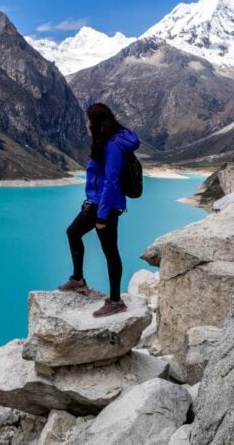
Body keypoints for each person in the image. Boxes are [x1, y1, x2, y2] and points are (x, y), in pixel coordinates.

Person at [58, 103, 140, 317]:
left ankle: (115, 301)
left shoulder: (112, 145)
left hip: (106, 206)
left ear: (97, 121)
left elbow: (111, 182)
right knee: (73, 232)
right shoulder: (106, 140)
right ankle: (78, 280)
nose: (87, 123)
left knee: (110, 252)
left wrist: (102, 216)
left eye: (89, 119)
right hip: (96, 202)